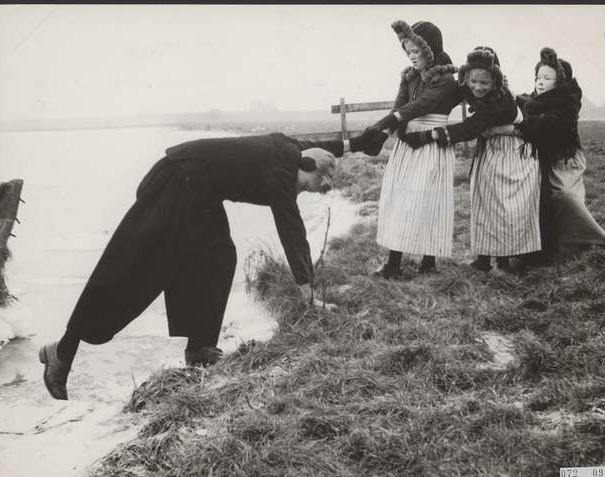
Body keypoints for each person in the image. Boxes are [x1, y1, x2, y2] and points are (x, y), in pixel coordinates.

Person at [38, 130, 387, 400]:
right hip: (175, 182)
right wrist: (307, 293)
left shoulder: (290, 149)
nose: (302, 192)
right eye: (308, 187)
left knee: (218, 257)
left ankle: (200, 348)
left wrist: (354, 143)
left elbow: (319, 144)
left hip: (198, 192)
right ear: (305, 167)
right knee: (130, 266)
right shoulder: (283, 174)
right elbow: (292, 232)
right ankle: (62, 352)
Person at [399, 47, 541, 273]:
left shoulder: (500, 102)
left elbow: (469, 128)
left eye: (484, 83)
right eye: (473, 81)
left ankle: (504, 262)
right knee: (483, 200)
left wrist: (425, 136)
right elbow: (449, 94)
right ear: (466, 78)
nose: (477, 87)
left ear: (495, 82)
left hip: (512, 152)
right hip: (489, 149)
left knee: (505, 204)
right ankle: (483, 260)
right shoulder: (468, 87)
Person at [485, 47, 605, 265]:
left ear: (559, 82)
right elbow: (516, 104)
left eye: (547, 78)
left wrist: (505, 130)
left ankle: (593, 239)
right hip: (538, 158)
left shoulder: (567, 104)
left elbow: (542, 125)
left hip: (563, 160)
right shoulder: (532, 100)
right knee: (529, 197)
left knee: (564, 196)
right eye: (538, 76)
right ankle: (534, 250)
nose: (540, 81)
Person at [365, 20, 461, 279]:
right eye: (407, 52)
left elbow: (420, 105)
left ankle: (428, 262)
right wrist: (382, 133)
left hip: (431, 144)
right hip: (407, 144)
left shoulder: (446, 80)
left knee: (428, 201)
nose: (411, 57)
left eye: (415, 52)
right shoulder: (409, 77)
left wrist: (390, 121)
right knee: (400, 200)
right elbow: (400, 106)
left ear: (429, 50)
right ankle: (393, 263)